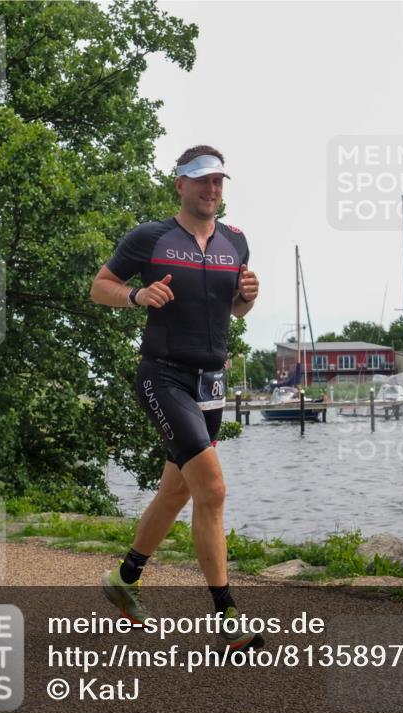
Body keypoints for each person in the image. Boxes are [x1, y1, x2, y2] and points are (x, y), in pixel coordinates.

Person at [89, 145, 263, 651]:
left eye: (219, 182)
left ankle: (124, 578)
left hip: (211, 380)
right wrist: (136, 296)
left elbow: (236, 313)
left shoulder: (236, 241)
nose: (213, 190)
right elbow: (100, 286)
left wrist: (248, 298)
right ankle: (227, 616)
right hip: (162, 376)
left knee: (178, 491)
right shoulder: (151, 237)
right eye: (202, 180)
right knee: (211, 488)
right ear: (180, 185)